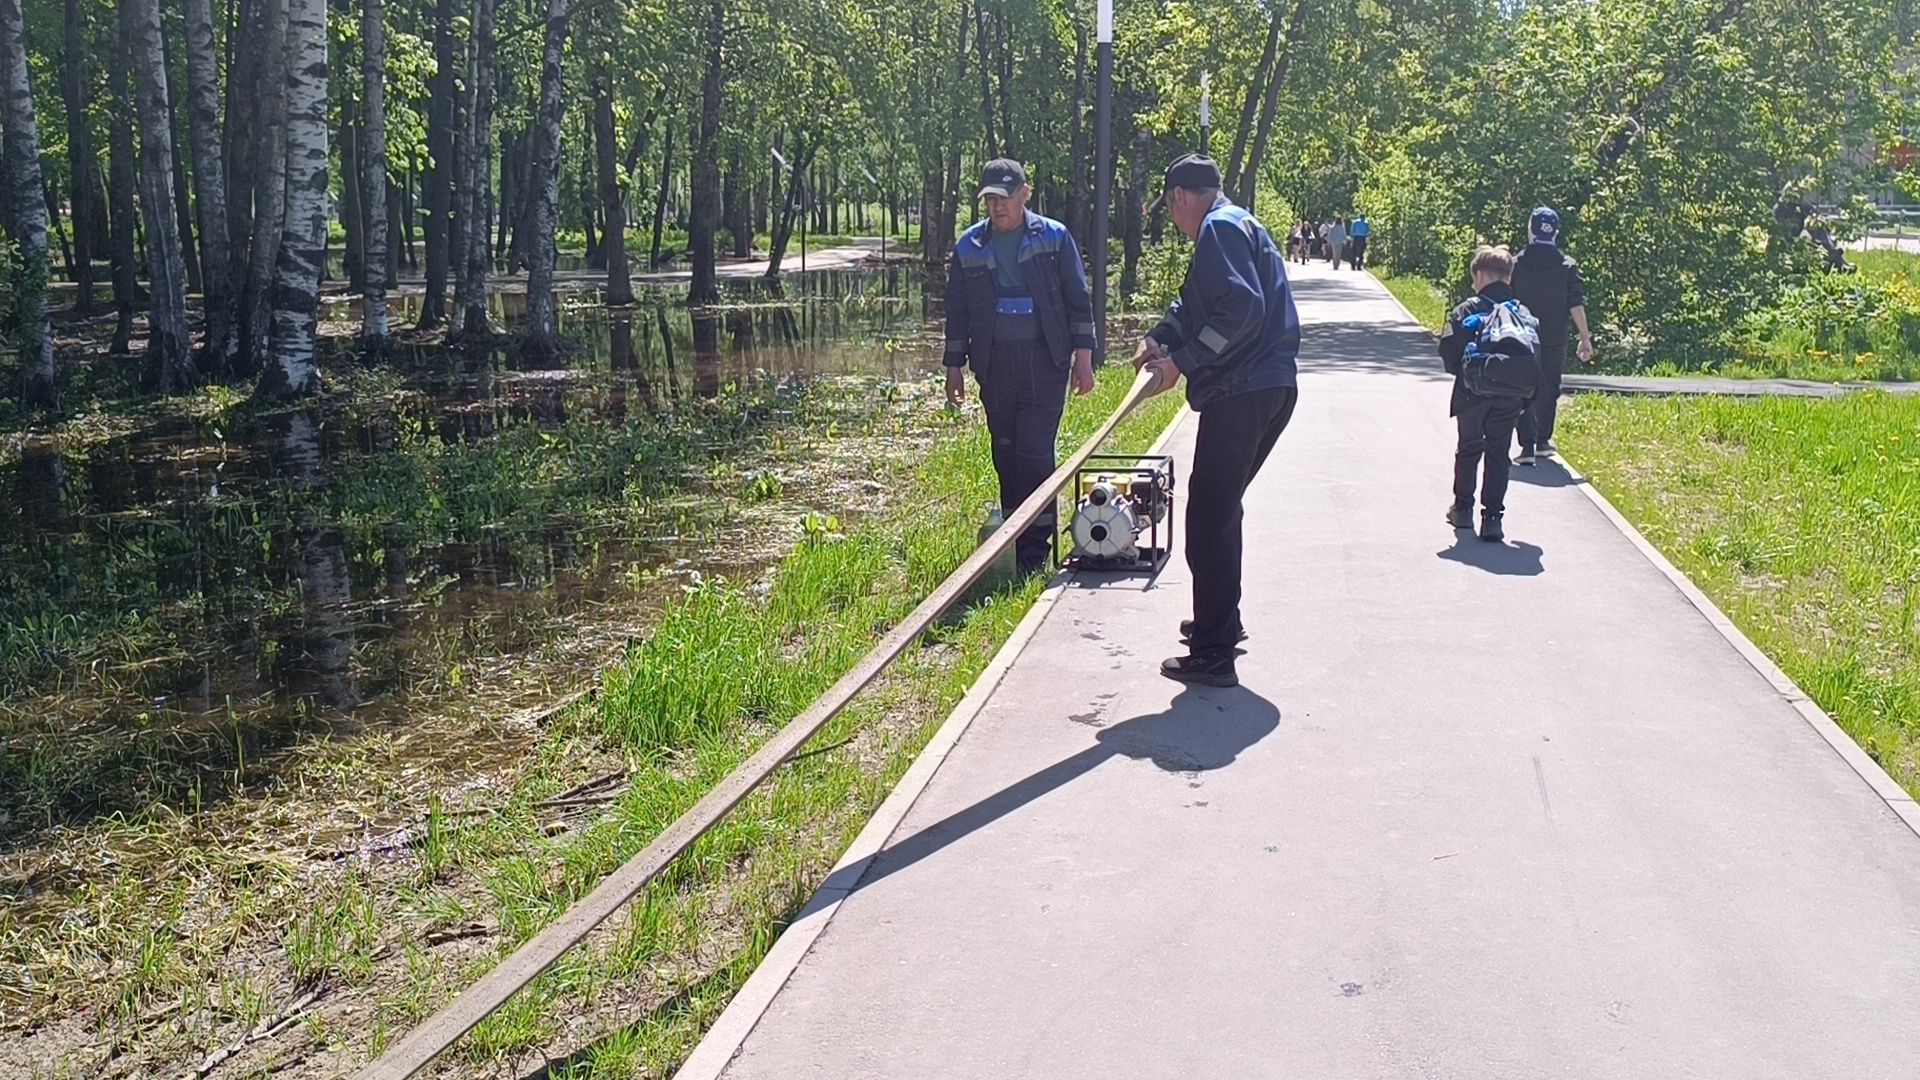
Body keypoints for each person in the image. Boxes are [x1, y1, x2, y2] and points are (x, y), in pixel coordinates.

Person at [1134, 154, 1300, 688]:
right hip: (1267, 386)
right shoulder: (1236, 224)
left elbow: (1242, 310)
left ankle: (1213, 653)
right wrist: (1163, 336)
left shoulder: (1218, 231)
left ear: (1181, 197)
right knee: (1220, 510)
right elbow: (1195, 304)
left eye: (1170, 209)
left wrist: (1182, 364)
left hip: (1243, 389)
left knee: (1208, 516)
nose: (1175, 222)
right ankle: (1219, 622)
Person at [943, 158, 1098, 573]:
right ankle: (1013, 540)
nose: (997, 207)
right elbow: (956, 311)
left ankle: (1035, 551)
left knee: (1035, 452)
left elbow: (1076, 299)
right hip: (995, 365)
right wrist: (953, 366)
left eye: (1005, 197)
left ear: (1025, 195)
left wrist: (1084, 358)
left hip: (1045, 361)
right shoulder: (969, 247)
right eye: (990, 199)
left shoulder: (1053, 238)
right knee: (1006, 453)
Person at [1439, 245, 1534, 543]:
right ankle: (1492, 519)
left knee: (1468, 448)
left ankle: (1463, 509)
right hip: (1510, 396)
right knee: (1498, 454)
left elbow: (1448, 352)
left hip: (1472, 393)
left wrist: (1464, 374)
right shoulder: (1522, 313)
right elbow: (1536, 358)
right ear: (1508, 277)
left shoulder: (1466, 309)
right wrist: (1525, 400)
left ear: (1480, 274)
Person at [1509, 207, 1594, 465]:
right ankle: (1543, 440)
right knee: (1549, 386)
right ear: (1555, 232)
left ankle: (1526, 445)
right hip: (1554, 337)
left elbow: (1507, 300)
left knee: (1523, 387)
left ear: (1530, 229)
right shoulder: (1567, 266)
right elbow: (1575, 304)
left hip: (1521, 335)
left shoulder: (1516, 264)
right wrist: (1585, 337)